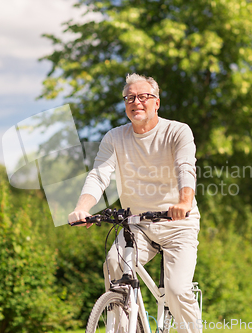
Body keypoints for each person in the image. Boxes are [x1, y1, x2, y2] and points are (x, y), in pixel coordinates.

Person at [68, 73, 201, 333]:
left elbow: (186, 167)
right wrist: (83, 207)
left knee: (176, 290)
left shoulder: (177, 131)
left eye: (143, 96)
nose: (136, 102)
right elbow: (99, 175)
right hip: (137, 225)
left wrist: (184, 202)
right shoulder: (114, 137)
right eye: (130, 97)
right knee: (114, 264)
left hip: (177, 223)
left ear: (157, 103)